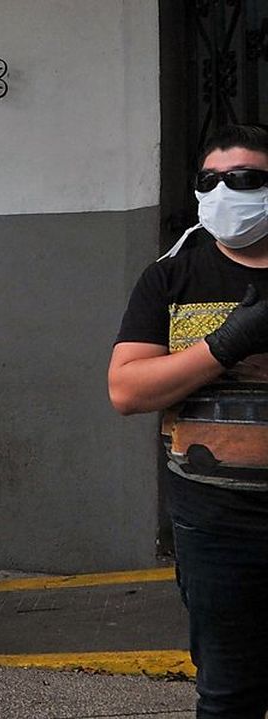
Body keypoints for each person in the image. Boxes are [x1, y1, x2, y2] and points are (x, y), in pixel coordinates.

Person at [109, 123, 268, 719]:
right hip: (215, 523)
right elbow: (126, 390)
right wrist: (223, 346)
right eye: (212, 180)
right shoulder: (171, 277)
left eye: (247, 178)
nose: (228, 190)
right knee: (229, 693)